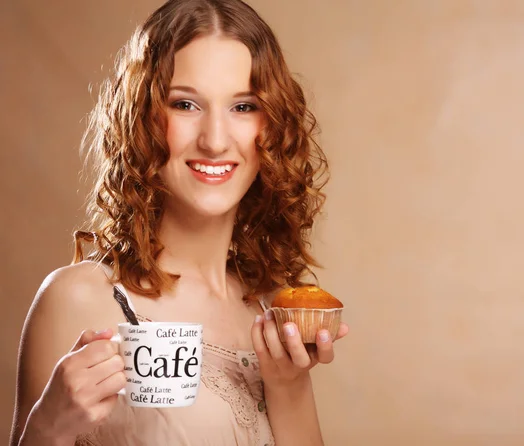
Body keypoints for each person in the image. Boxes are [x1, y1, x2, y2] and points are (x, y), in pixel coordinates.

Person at [9, 0, 349, 444]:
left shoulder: (270, 307)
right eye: (185, 104)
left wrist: (289, 386)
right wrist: (47, 428)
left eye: (243, 107)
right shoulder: (79, 299)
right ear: (142, 120)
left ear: (273, 127)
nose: (214, 140)